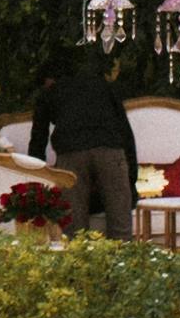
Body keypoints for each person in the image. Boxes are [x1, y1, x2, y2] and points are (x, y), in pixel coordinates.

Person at [24, 35, 139, 240]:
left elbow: (38, 139)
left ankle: (79, 268)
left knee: (74, 227)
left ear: (48, 80)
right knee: (120, 223)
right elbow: (125, 132)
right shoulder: (101, 85)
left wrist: (36, 180)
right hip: (110, 149)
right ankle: (124, 266)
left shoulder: (49, 92)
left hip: (71, 153)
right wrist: (132, 179)